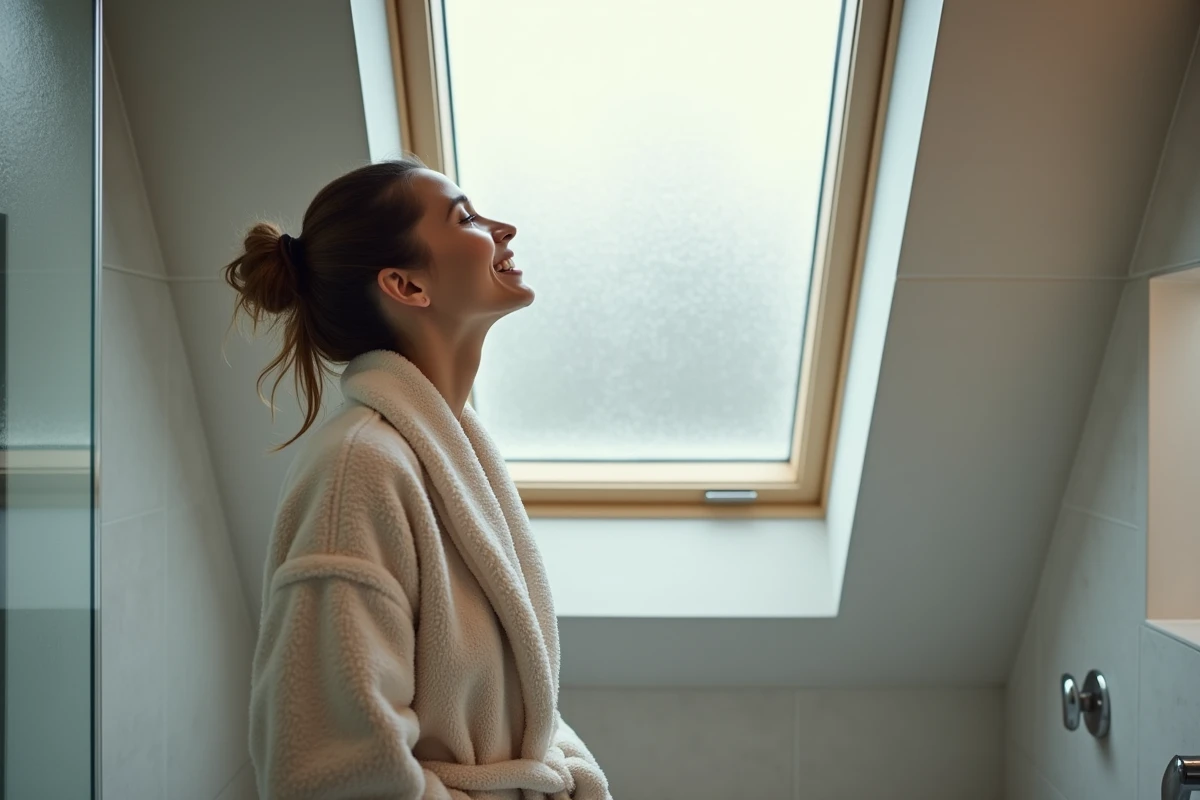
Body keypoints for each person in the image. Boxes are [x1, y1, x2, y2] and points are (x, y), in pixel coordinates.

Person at [224, 158, 611, 800]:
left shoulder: (448, 444)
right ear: (406, 286)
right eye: (466, 217)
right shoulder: (361, 468)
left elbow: (500, 707)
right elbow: (322, 775)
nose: (503, 229)